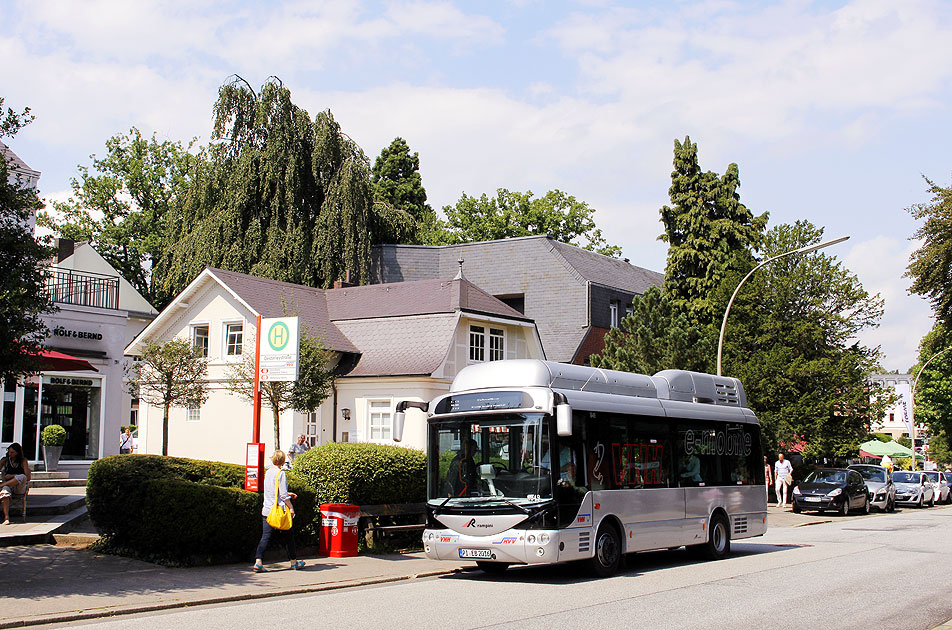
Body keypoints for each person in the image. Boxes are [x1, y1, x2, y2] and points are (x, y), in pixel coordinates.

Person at [253, 450, 304, 572]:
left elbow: (273, 490)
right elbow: (283, 495)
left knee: (265, 537)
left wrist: (287, 493)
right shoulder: (281, 473)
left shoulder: (269, 472)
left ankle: (258, 562)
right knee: (289, 536)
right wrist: (291, 507)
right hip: (279, 511)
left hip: (267, 510)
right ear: (282, 461)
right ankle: (293, 562)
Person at [1, 443, 32, 525]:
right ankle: (6, 517)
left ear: (17, 453)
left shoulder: (23, 461)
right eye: (9, 452)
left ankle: (1, 485)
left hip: (19, 487)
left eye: (12, 452)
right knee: (4, 491)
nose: (10, 454)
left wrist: (12, 475)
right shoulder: (6, 460)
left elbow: (27, 477)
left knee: (21, 476)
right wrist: (2, 461)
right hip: (9, 486)